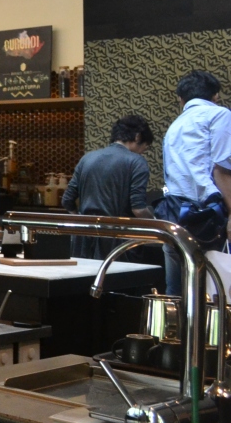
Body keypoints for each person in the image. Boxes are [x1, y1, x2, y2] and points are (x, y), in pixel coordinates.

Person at [157, 71, 231, 295]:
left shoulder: (174, 126)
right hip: (207, 217)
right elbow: (221, 170)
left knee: (176, 292)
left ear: (181, 99)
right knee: (213, 293)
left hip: (174, 215)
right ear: (215, 96)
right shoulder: (219, 115)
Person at [62, 115, 155, 262]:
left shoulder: (87, 158)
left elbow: (67, 200)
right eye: (145, 147)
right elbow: (138, 209)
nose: (142, 152)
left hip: (83, 240)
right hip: (119, 243)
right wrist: (155, 223)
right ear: (137, 137)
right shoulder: (136, 162)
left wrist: (82, 219)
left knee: (87, 276)